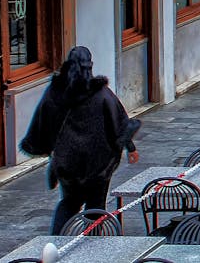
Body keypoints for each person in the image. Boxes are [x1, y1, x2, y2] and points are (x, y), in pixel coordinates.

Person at [19, 46, 140, 236]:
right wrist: (130, 148)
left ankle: (56, 243)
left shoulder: (55, 93)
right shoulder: (102, 95)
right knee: (95, 207)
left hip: (68, 165)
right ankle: (91, 247)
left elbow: (42, 121)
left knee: (68, 204)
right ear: (89, 66)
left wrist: (48, 149)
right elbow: (119, 124)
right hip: (98, 166)